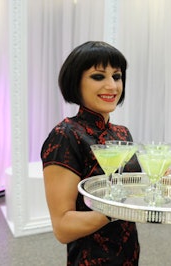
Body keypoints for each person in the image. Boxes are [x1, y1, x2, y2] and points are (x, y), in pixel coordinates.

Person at [41, 41, 141, 265]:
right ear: (76, 81)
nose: (112, 86)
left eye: (116, 76)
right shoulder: (65, 136)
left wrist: (155, 184)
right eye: (98, 77)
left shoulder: (122, 134)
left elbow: (133, 193)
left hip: (128, 254)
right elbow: (62, 228)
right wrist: (114, 210)